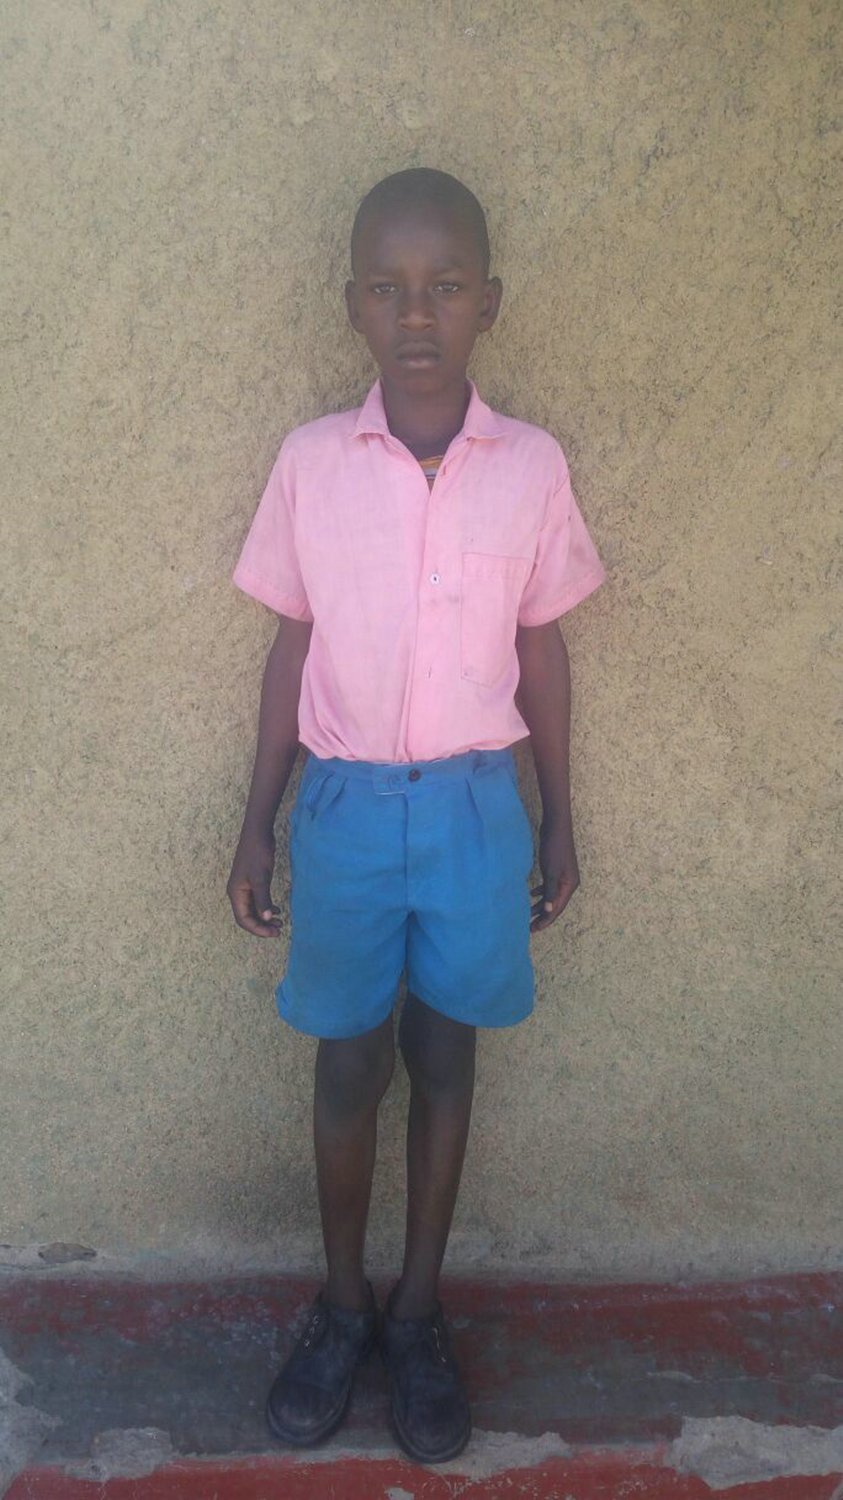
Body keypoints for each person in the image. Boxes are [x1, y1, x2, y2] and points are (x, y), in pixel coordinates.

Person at [227, 167, 605, 1464]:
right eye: (388, 289)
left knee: (447, 1056)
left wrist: (559, 815)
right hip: (340, 810)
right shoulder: (311, 465)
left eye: (445, 287)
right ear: (352, 306)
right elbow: (290, 645)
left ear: (488, 302)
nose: (418, 313)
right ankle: (342, 1309)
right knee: (349, 1064)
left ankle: (419, 1309)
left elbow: (543, 650)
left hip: (475, 813)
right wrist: (257, 819)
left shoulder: (531, 468)